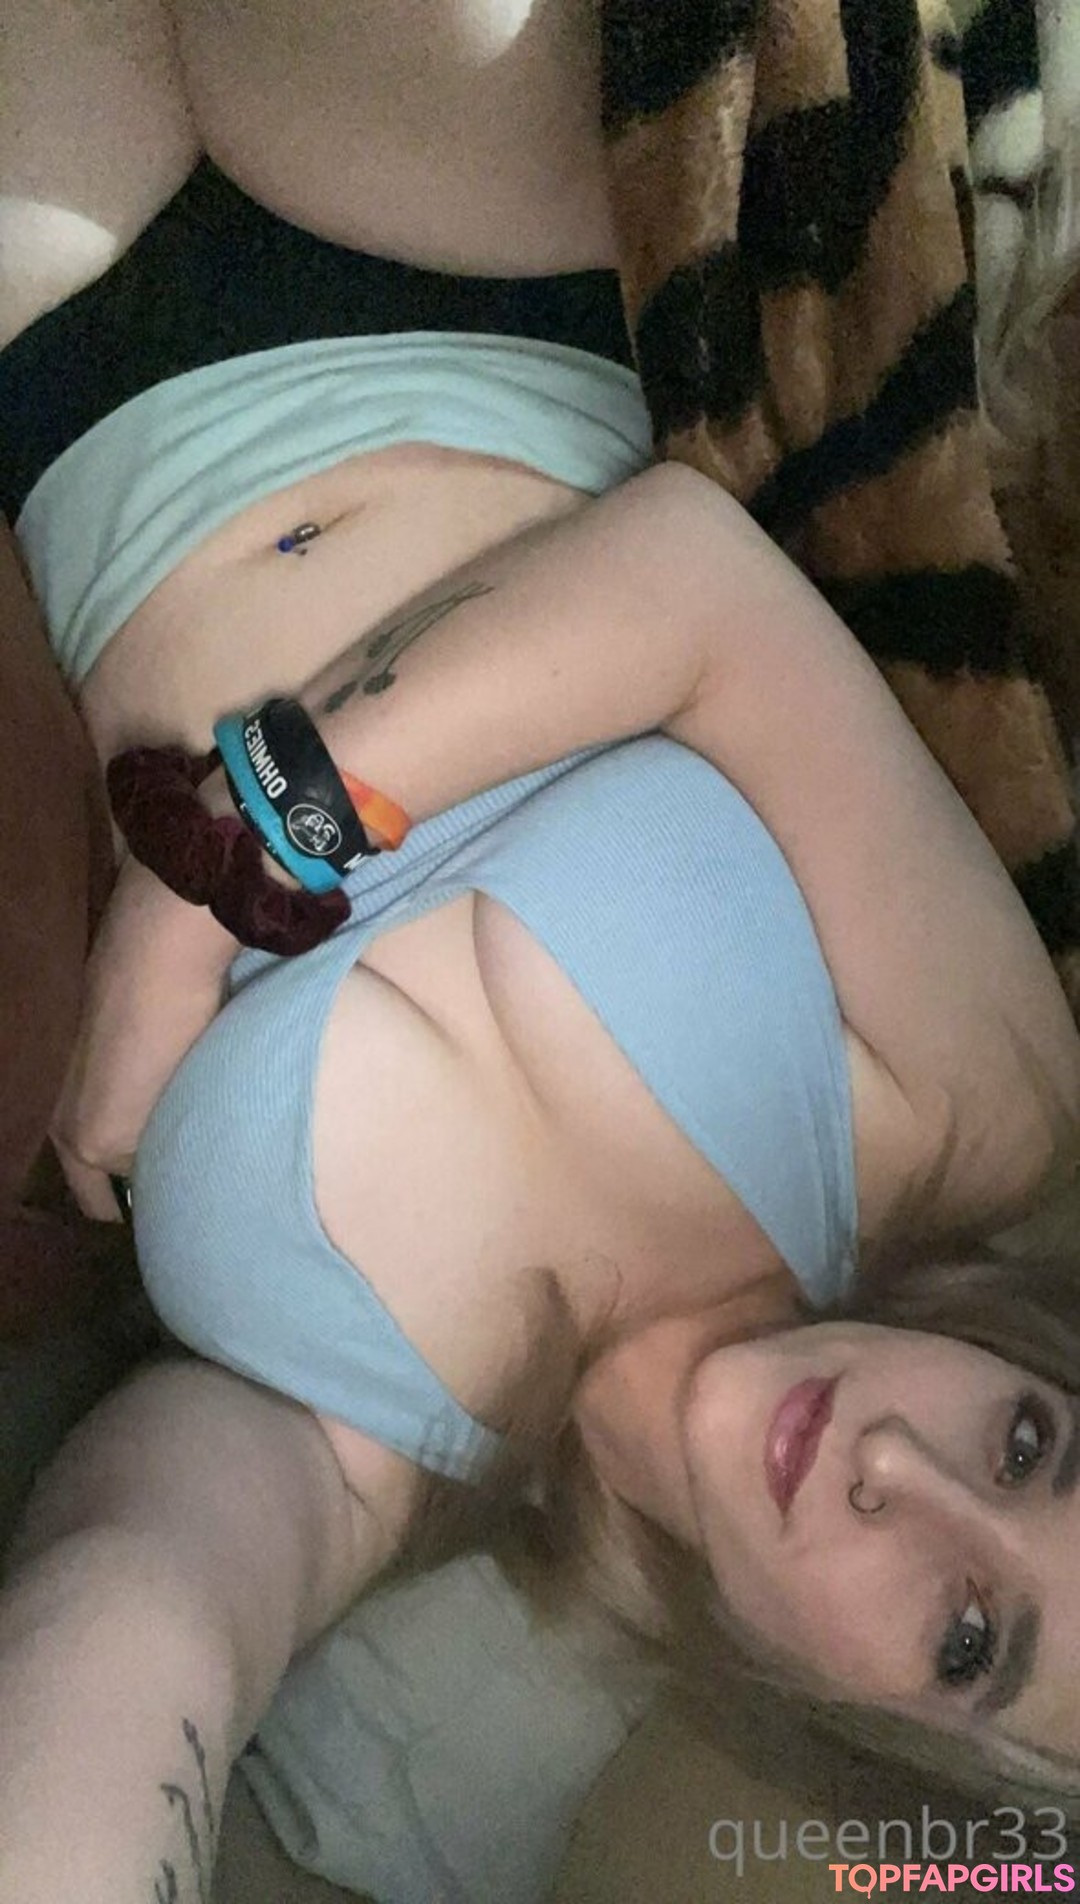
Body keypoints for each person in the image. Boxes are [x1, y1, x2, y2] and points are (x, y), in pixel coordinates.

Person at [4, 4, 1080, 1900]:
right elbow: (692, 583)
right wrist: (207, 887)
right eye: (1027, 1446)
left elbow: (129, 1622)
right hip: (445, 257)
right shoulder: (976, 1110)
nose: (900, 1478)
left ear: (887, 1748)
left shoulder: (366, 1472)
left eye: (967, 1636)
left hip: (62, 400)